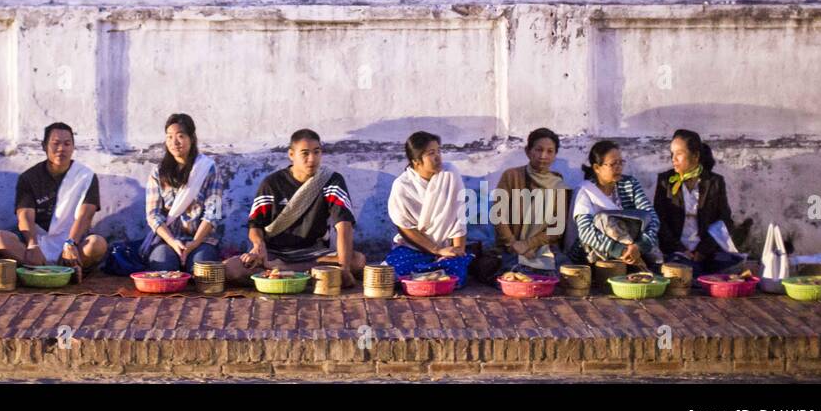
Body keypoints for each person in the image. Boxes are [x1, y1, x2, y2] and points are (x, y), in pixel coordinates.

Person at [224, 129, 366, 287]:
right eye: (305, 153)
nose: (312, 159)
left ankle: (278, 273)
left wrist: (345, 268)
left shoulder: (331, 181)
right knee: (231, 269)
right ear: (291, 155)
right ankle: (309, 276)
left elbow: (344, 225)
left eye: (316, 152)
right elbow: (255, 225)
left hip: (315, 255)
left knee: (357, 261)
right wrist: (258, 246)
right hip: (275, 254)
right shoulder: (272, 183)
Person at [0, 122, 107, 279]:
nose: (61, 149)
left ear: (73, 147)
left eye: (67, 144)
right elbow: (25, 216)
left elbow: (86, 215)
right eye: (55, 143)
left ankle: (46, 270)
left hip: (71, 241)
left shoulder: (85, 176)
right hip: (38, 241)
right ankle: (59, 271)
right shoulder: (30, 177)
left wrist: (71, 243)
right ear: (44, 146)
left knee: (97, 244)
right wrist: (32, 245)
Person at [384, 132, 472, 287]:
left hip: (447, 248)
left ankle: (423, 276)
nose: (438, 157)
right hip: (415, 248)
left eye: (439, 151)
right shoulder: (402, 186)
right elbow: (405, 228)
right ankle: (430, 274)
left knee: (457, 270)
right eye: (431, 153)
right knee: (395, 269)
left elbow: (459, 217)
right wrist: (436, 250)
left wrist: (457, 251)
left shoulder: (450, 174)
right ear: (416, 160)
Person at [653, 129, 745, 276]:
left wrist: (702, 251)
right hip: (676, 251)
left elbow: (724, 220)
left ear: (695, 156)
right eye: (672, 153)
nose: (673, 159)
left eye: (679, 153)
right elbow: (658, 220)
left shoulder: (714, 182)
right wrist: (681, 250)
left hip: (706, 251)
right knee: (682, 267)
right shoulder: (666, 181)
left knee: (732, 264)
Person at [141, 113, 224, 272]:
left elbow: (213, 212)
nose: (174, 142)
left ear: (191, 138)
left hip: (201, 241)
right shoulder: (158, 173)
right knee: (164, 267)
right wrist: (172, 242)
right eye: (169, 137)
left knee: (201, 269)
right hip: (167, 240)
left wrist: (194, 243)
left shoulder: (207, 168)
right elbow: (153, 215)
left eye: (180, 136)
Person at [571, 140, 661, 269]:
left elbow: (652, 217)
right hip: (597, 256)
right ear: (597, 168)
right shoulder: (585, 191)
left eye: (620, 163)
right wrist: (620, 250)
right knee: (604, 220)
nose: (618, 167)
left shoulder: (630, 184)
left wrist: (639, 246)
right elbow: (585, 231)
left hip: (634, 252)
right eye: (613, 164)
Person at [492, 127, 571, 273]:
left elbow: (557, 228)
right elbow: (497, 215)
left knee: (567, 275)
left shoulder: (558, 184)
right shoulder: (511, 176)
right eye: (538, 149)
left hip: (544, 247)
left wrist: (529, 244)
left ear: (555, 155)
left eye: (549, 151)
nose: (543, 156)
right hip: (511, 247)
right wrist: (514, 244)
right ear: (528, 152)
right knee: (515, 276)